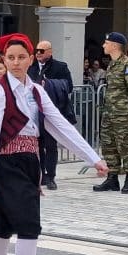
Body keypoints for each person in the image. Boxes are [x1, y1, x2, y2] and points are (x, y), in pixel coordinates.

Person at [0, 34, 107, 255]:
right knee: (28, 227)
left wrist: (92, 157)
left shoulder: (36, 91)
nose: (16, 63)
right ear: (3, 60)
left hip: (28, 163)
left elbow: (59, 124)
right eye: (10, 58)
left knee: (2, 227)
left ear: (31, 58)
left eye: (21, 57)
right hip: (4, 164)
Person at [93, 32, 128, 194]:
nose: (103, 45)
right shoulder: (112, 64)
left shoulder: (126, 64)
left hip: (122, 113)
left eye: (106, 43)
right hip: (109, 112)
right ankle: (112, 178)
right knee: (109, 144)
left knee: (126, 144)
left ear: (114, 45)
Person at [27, 40, 74, 190]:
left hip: (52, 110)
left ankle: (51, 175)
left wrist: (49, 85)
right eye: (37, 50)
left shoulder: (60, 66)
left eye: (42, 51)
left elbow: (68, 85)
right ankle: (40, 174)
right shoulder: (31, 67)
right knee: (37, 145)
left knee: (50, 145)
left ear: (50, 52)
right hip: (34, 111)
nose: (38, 53)